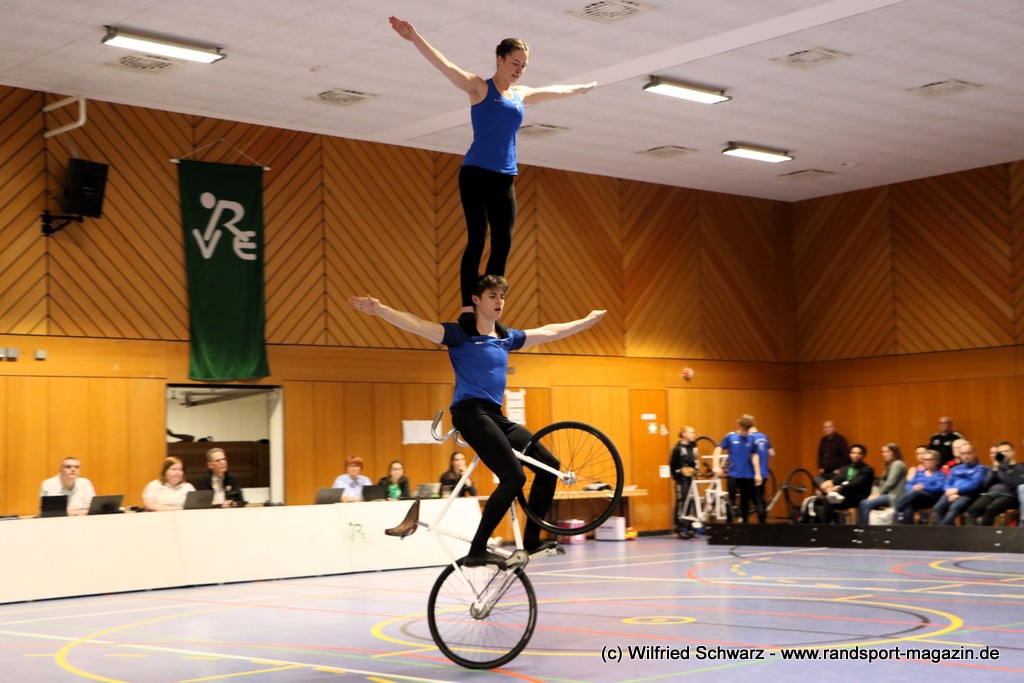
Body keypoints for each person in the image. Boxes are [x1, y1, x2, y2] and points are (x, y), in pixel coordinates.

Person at [348, 274, 604, 566]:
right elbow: (417, 324)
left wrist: (584, 323)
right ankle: (477, 549)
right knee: (514, 477)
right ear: (476, 300)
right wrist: (381, 310)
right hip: (470, 412)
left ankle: (532, 541)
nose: (499, 301)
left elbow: (547, 332)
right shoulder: (460, 334)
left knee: (549, 466)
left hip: (496, 415)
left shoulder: (506, 337)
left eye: (502, 297)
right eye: (492, 296)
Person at [389, 16, 596, 333]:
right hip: (475, 173)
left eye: (524, 65)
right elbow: (445, 66)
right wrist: (415, 38)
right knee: (477, 238)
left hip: (504, 176)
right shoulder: (479, 87)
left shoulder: (520, 94)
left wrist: (578, 90)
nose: (519, 70)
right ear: (500, 59)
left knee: (503, 242)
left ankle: (489, 311)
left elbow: (551, 91)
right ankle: (467, 308)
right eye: (515, 63)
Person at [711, 415, 762, 523]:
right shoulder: (730, 437)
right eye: (744, 430)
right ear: (739, 426)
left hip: (747, 475)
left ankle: (745, 523)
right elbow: (718, 449)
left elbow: (754, 455)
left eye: (748, 430)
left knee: (745, 501)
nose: (746, 432)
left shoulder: (752, 439)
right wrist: (715, 465)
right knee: (731, 499)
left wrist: (757, 473)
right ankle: (730, 523)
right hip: (733, 474)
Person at [964, 441, 1024, 525]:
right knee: (972, 510)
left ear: (1013, 452)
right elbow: (985, 485)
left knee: (991, 509)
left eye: (1006, 451)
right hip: (991, 494)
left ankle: (984, 532)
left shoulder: (1020, 467)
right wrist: (994, 470)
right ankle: (973, 532)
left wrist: (1000, 470)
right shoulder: (995, 467)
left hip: (1009, 496)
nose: (1003, 454)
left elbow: (1013, 485)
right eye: (1000, 452)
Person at [931, 441, 986, 525]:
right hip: (951, 493)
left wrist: (957, 490)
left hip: (967, 494)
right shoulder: (955, 468)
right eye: (963, 454)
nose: (966, 456)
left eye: (968, 453)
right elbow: (947, 482)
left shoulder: (980, 468)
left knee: (954, 508)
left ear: (974, 454)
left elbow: (974, 484)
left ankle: (940, 530)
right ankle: (941, 529)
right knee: (937, 508)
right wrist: (950, 492)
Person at [818, 443, 874, 520]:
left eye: (859, 453)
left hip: (855, 496)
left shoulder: (867, 470)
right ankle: (826, 523)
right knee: (818, 482)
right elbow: (838, 479)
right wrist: (830, 483)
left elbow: (855, 484)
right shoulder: (845, 468)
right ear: (850, 454)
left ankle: (827, 524)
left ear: (863, 455)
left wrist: (838, 488)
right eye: (853, 453)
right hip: (842, 494)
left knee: (827, 500)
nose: (856, 455)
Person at [856, 443, 907, 524]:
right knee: (863, 502)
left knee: (865, 504)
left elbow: (890, 482)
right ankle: (862, 527)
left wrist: (878, 494)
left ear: (894, 452)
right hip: (887, 494)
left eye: (887, 451)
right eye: (883, 452)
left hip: (895, 496)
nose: (884, 454)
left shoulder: (898, 464)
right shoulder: (888, 466)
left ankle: (864, 528)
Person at [894, 450, 946, 523]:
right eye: (925, 459)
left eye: (929, 459)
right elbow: (908, 485)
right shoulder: (919, 473)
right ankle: (906, 528)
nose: (927, 462)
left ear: (937, 461)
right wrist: (913, 487)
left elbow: (940, 488)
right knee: (908, 506)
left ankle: (895, 509)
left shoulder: (940, 475)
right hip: (917, 498)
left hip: (932, 498)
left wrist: (924, 487)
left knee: (915, 492)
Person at [670, 426, 698, 534]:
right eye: (691, 433)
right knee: (682, 500)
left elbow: (694, 462)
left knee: (692, 500)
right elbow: (672, 465)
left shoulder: (694, 447)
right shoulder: (678, 449)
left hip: (692, 478)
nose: (693, 435)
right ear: (684, 434)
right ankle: (679, 525)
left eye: (693, 433)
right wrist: (678, 474)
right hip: (681, 479)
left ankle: (690, 524)